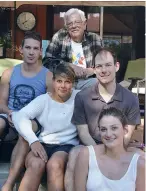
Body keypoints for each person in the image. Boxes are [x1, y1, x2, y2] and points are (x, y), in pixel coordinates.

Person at [65, 48, 141, 191]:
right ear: (94, 69)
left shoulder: (131, 99)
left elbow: (126, 135)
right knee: (75, 154)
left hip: (120, 145)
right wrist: (99, 152)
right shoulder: (82, 96)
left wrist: (111, 149)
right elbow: (83, 133)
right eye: (99, 66)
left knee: (142, 158)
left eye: (108, 65)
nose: (103, 70)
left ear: (116, 66)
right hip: (90, 145)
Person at [11, 64, 79, 191]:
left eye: (67, 82)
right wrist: (33, 140)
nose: (63, 86)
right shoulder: (44, 100)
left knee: (55, 164)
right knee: (36, 163)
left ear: (73, 84)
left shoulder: (79, 97)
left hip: (66, 145)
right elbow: (19, 116)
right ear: (53, 82)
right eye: (59, 81)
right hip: (43, 143)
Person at [1, 31, 52, 191]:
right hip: (9, 116)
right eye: (28, 47)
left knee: (26, 130)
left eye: (35, 48)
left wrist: (21, 119)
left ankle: (8, 185)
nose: (31, 52)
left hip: (33, 121)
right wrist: (10, 112)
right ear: (20, 49)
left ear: (40, 52)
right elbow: (1, 102)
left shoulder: (48, 76)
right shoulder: (9, 73)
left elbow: (49, 107)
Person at [74, 107, 145, 191]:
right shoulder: (86, 154)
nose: (108, 134)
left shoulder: (139, 163)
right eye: (103, 129)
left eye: (114, 128)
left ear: (125, 130)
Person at [43, 8, 103, 90]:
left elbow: (104, 65)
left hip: (88, 81)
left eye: (77, 22)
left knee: (100, 83)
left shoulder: (94, 39)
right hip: (65, 82)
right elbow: (47, 62)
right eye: (70, 24)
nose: (74, 26)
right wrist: (68, 66)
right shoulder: (59, 37)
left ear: (84, 24)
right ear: (66, 27)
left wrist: (92, 71)